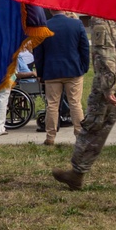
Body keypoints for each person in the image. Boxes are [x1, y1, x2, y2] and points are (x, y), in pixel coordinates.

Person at [52, 18, 116, 192]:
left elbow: (104, 54)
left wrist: (108, 86)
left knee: (93, 129)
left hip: (113, 86)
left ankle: (76, 174)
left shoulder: (104, 18)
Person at [34, 10, 89, 145]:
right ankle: (79, 135)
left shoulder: (43, 27)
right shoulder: (77, 24)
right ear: (64, 9)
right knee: (75, 103)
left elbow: (38, 53)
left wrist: (40, 72)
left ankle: (50, 136)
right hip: (73, 70)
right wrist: (84, 67)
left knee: (52, 105)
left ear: (50, 11)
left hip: (52, 71)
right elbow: (84, 48)